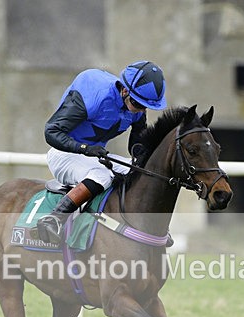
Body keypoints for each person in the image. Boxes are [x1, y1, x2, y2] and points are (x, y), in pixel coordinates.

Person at [36, 60, 167, 244]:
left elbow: (137, 145)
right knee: (102, 175)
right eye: (138, 103)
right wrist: (85, 149)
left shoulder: (136, 106)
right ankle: (55, 219)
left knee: (140, 172)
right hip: (63, 154)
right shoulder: (94, 95)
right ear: (125, 90)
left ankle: (148, 230)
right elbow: (51, 131)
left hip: (93, 156)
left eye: (146, 106)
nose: (141, 110)